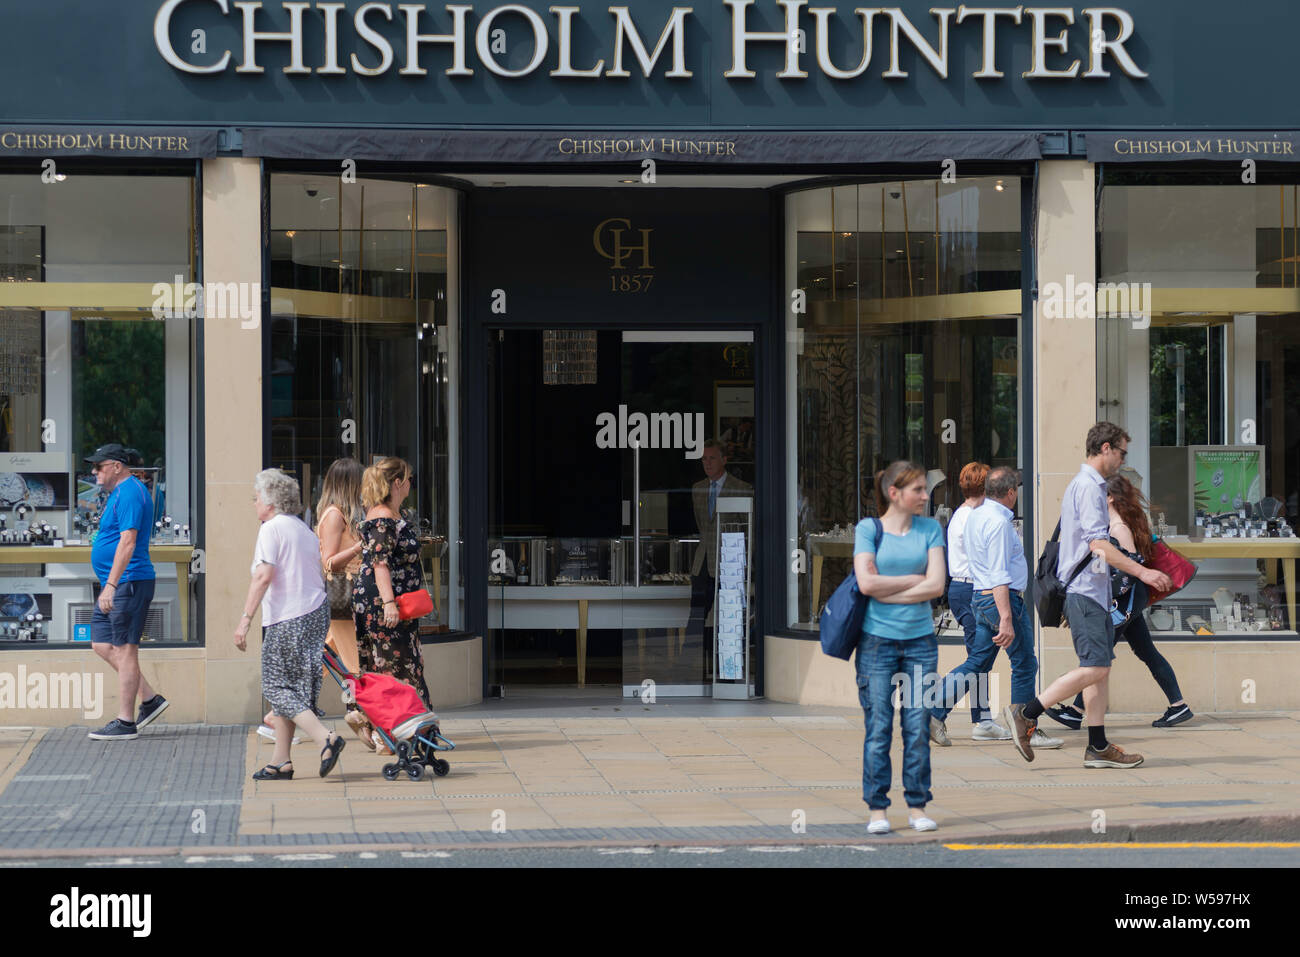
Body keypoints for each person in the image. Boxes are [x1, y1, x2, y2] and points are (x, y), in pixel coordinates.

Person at [1003, 423, 1172, 768]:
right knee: (1096, 666)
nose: (1124, 460)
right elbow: (1099, 546)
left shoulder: (1082, 485)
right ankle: (1027, 712)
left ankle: (1097, 746)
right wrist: (1143, 572)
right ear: (1107, 448)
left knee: (1099, 669)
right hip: (1085, 593)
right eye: (1123, 453)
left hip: (1089, 593)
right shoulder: (1090, 487)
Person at [1045, 473, 1193, 730]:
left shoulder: (1119, 528)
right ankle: (1178, 706)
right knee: (1144, 652)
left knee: (1097, 658)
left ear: (1110, 498)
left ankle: (1076, 711)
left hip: (1124, 602)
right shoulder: (1110, 526)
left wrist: (1105, 599)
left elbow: (1130, 570)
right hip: (1125, 602)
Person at [928, 468, 1062, 750]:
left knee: (978, 662)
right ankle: (1026, 728)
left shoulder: (976, 516)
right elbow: (999, 572)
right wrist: (1006, 617)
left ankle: (934, 712)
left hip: (980, 596)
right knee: (1025, 663)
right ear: (1011, 493)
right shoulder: (999, 523)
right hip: (1001, 598)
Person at [854, 461, 948, 834]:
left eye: (925, 489)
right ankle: (878, 809)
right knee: (878, 726)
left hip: (921, 643)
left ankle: (916, 806)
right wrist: (914, 580)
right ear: (894, 493)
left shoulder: (930, 528)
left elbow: (937, 585)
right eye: (919, 490)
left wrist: (889, 586)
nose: (925, 496)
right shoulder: (868, 529)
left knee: (916, 724)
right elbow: (865, 584)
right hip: (876, 642)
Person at [234, 468, 346, 780]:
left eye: (256, 498)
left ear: (269, 501)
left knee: (275, 685)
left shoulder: (271, 529)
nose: (254, 503)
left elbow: (263, 575)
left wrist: (245, 620)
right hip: (314, 613)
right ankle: (281, 760)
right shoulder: (302, 529)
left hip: (289, 617)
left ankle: (327, 738)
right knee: (295, 688)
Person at [86, 443, 168, 740]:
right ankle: (149, 699)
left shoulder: (131, 491)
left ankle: (125, 721)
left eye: (99, 466)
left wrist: (111, 585)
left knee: (125, 648)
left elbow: (128, 542)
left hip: (128, 582)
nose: (94, 471)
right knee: (101, 643)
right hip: (118, 582)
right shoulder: (119, 493)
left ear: (117, 466)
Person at [353, 457, 432, 753]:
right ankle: (394, 732)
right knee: (397, 664)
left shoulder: (391, 515)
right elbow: (380, 564)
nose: (411, 484)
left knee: (398, 662)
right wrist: (389, 604)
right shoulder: (382, 518)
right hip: (384, 601)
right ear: (397, 483)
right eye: (409, 478)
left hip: (393, 600)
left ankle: (387, 728)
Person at [940, 461, 1008, 739]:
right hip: (972, 590)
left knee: (979, 657)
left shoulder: (962, 514)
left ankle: (982, 720)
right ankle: (937, 709)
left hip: (963, 589)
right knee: (979, 658)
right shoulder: (973, 517)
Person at [686, 440, 753, 659]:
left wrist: (747, 562)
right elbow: (701, 524)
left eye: (712, 458)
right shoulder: (697, 488)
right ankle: (691, 665)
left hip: (730, 560)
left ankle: (726, 665)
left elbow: (748, 528)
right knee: (697, 614)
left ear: (724, 460)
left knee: (728, 617)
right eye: (704, 459)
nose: (707, 463)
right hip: (703, 561)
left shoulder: (742, 488)